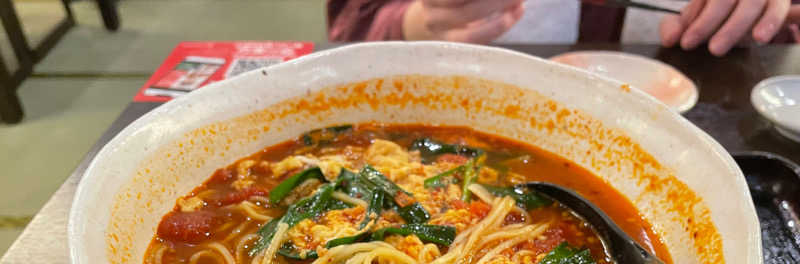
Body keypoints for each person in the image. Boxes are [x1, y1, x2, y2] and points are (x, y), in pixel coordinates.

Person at [327, 0, 799, 56]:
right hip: (461, 86)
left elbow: (784, 29)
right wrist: (417, 22)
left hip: (701, 112)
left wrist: (761, 15)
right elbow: (355, 21)